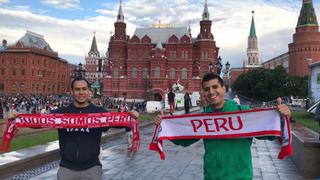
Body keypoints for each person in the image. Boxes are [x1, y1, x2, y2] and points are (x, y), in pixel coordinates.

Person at [153, 73, 291, 180]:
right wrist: (164, 126)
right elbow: (184, 139)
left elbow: (270, 134)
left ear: (223, 88)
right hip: (211, 177)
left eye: (215, 87)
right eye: (206, 89)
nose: (211, 92)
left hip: (239, 177)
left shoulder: (243, 112)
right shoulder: (203, 118)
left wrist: (282, 117)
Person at [8, 77, 139, 180]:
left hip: (92, 168)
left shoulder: (99, 112)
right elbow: (40, 122)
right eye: (77, 89)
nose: (81, 92)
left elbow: (117, 122)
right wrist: (18, 118)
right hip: (67, 169)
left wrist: (131, 117)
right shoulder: (61, 112)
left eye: (84, 89)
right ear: (72, 92)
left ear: (89, 91)